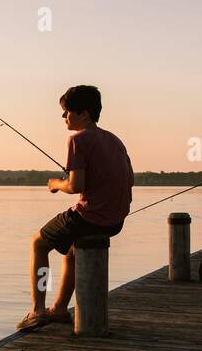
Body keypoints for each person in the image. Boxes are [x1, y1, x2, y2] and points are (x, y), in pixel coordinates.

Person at [17, 85, 133, 330]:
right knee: (70, 250)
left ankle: (37, 309)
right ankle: (59, 309)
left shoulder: (77, 140)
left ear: (84, 113)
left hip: (90, 217)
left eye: (67, 111)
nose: (64, 117)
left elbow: (76, 184)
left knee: (38, 243)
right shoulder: (115, 141)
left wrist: (57, 184)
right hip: (116, 220)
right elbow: (129, 178)